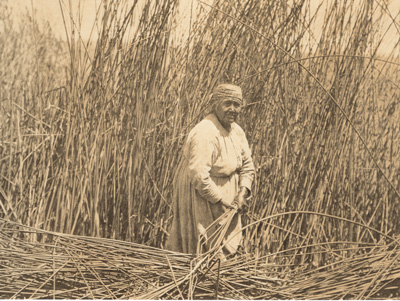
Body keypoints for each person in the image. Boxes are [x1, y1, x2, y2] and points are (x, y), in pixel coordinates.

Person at [166, 84, 255, 258]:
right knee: (201, 245)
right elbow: (198, 175)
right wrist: (219, 199)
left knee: (225, 247)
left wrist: (243, 192)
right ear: (215, 104)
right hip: (202, 195)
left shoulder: (237, 131)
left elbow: (248, 165)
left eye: (237, 105)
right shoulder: (205, 132)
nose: (232, 109)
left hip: (228, 196)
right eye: (227, 103)